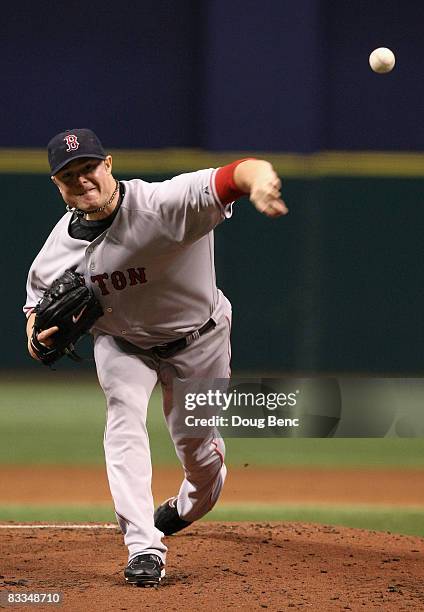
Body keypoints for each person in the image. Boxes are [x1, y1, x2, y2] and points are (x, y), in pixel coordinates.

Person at [24, 128, 288, 587]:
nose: (82, 180)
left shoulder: (164, 204)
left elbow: (236, 173)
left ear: (108, 165)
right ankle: (143, 547)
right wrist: (37, 338)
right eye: (69, 176)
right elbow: (35, 314)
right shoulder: (54, 253)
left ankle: (192, 502)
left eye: (88, 168)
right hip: (121, 344)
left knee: (197, 451)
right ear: (57, 186)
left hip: (199, 339)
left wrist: (260, 181)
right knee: (123, 419)